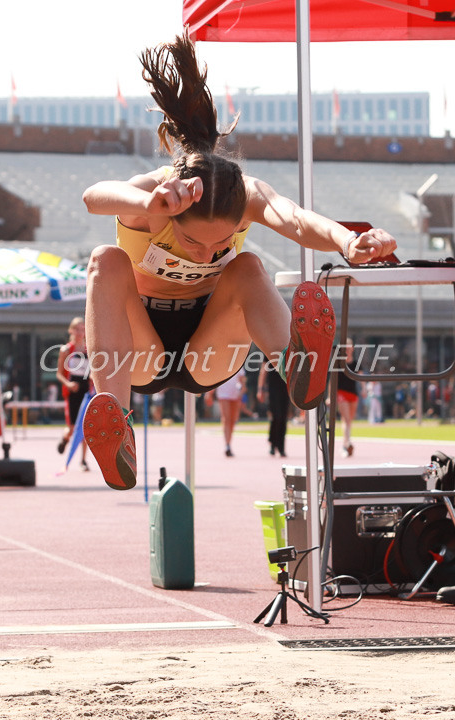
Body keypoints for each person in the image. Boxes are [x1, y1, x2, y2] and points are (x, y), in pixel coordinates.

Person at [81, 30, 397, 491]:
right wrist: (152, 204)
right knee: (105, 260)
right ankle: (117, 429)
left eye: (219, 241)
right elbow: (92, 197)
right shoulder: (154, 196)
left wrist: (349, 242)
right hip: (138, 350)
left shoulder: (245, 196)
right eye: (192, 242)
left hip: (211, 347)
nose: (206, 253)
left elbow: (295, 218)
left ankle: (294, 365)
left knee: (245, 268)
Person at [56, 317, 91, 471]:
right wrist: (68, 384)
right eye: (77, 329)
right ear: (71, 330)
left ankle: (83, 460)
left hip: (86, 391)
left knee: (86, 427)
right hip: (72, 392)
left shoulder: (89, 349)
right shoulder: (66, 350)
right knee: (72, 428)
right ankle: (65, 439)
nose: (80, 332)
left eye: (83, 329)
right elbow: (59, 374)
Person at [257, 357, 290, 457]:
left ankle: (281, 447)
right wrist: (260, 389)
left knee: (284, 417)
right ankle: (272, 443)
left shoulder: (290, 347)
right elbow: (264, 370)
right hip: (273, 388)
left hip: (286, 388)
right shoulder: (269, 348)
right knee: (276, 416)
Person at [212, 366, 246, 457]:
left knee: (232, 420)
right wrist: (209, 393)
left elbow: (242, 380)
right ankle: (227, 445)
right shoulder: (221, 361)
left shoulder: (238, 361)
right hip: (223, 394)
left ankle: (229, 443)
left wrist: (242, 392)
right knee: (226, 418)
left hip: (235, 395)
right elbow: (214, 378)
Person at [335, 339, 359, 458]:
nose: (348, 350)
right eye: (346, 348)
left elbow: (361, 376)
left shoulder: (356, 362)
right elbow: (332, 381)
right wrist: (330, 396)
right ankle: (347, 443)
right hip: (341, 393)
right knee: (346, 418)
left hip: (353, 393)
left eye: (350, 347)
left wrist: (364, 389)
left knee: (349, 421)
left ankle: (345, 443)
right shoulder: (338, 362)